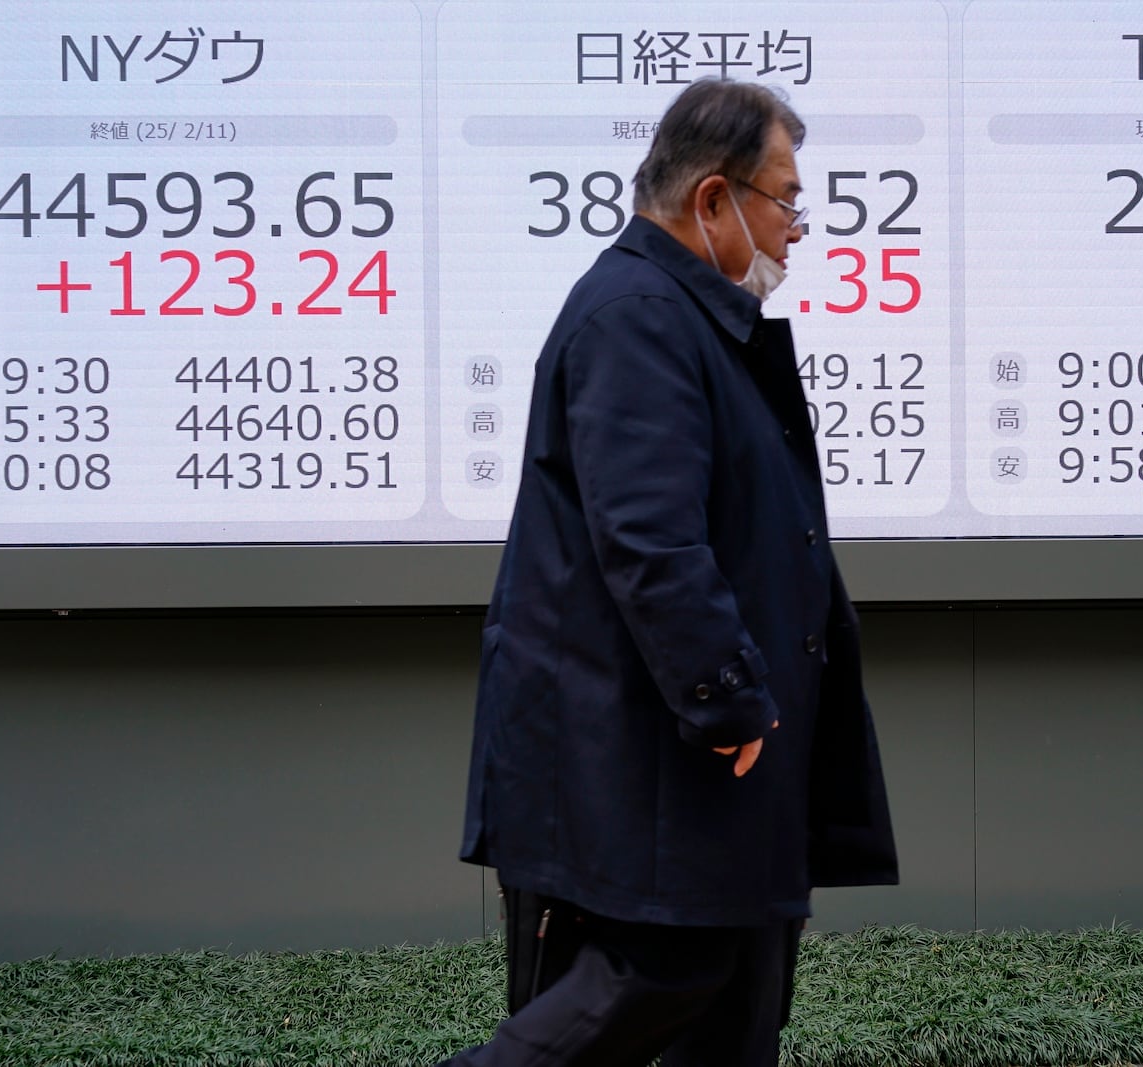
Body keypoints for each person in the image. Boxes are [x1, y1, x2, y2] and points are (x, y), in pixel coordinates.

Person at [441, 78, 897, 1067]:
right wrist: (728, 696)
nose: (798, 227)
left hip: (694, 756)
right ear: (713, 200)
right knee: (659, 970)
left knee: (734, 988)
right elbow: (649, 538)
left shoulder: (686, 317)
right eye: (785, 199)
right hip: (653, 755)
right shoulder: (637, 316)